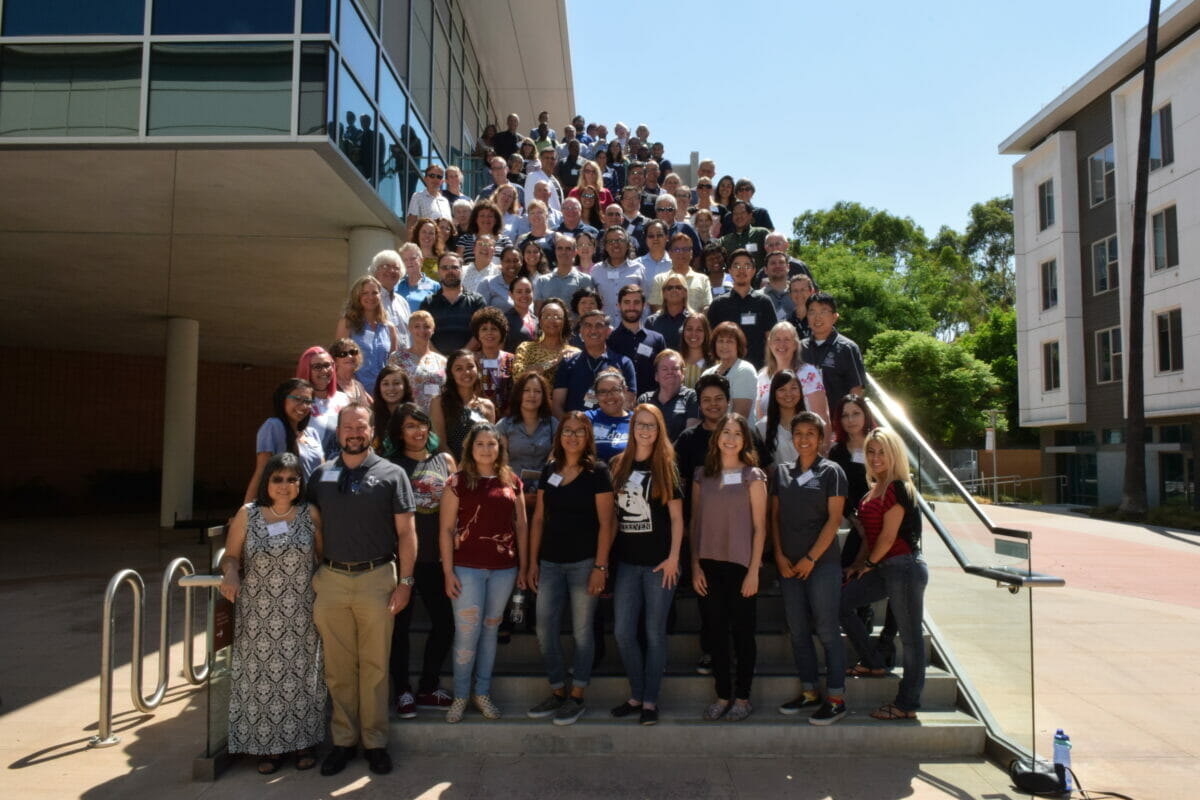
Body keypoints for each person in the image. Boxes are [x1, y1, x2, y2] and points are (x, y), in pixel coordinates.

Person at [307, 403, 417, 776]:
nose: (354, 433)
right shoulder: (321, 475)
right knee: (338, 669)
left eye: (361, 426)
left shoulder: (392, 474)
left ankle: (374, 742)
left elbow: (407, 533)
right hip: (332, 580)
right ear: (338, 433)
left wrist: (405, 582)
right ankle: (342, 741)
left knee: (374, 666)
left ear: (373, 431)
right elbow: (312, 528)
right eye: (347, 427)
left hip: (376, 579)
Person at [222, 452, 326, 774]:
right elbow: (230, 556)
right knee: (260, 681)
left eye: (292, 479)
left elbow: (322, 559)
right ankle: (267, 748)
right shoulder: (248, 514)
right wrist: (230, 572)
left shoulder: (309, 513)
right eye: (277, 479)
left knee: (302, 679)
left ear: (300, 483)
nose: (284, 485)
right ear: (267, 482)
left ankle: (302, 743)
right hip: (258, 617)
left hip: (301, 614)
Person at [525, 412, 614, 725]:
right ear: (559, 435)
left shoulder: (598, 472)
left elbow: (607, 524)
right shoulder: (550, 469)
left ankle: (577, 695)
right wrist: (532, 562)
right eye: (567, 431)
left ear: (587, 437)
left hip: (584, 563)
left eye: (579, 431)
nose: (573, 437)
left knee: (582, 632)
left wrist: (600, 567)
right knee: (544, 630)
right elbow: (538, 519)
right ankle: (558, 690)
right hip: (549, 562)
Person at [439, 422, 529, 723]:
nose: (487, 449)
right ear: (471, 447)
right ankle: (461, 696)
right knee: (467, 634)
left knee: (490, 633)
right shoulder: (458, 481)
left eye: (492, 444)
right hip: (467, 569)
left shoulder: (512, 481)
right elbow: (447, 529)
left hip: (504, 570)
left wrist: (525, 567)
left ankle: (482, 693)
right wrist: (448, 572)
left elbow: (522, 526)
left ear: (500, 448)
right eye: (481, 444)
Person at [839, 427, 928, 721]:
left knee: (912, 639)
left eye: (882, 452)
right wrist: (858, 563)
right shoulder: (871, 490)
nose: (876, 458)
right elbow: (869, 537)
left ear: (894, 455)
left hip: (903, 567)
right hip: (883, 566)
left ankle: (907, 703)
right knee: (841, 603)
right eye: (871, 452)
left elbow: (888, 538)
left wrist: (868, 565)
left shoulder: (898, 487)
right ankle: (874, 660)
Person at [771, 412, 849, 726]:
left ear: (821, 439)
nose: (804, 439)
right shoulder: (781, 472)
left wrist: (811, 559)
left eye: (810, 434)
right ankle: (809, 691)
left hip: (821, 565)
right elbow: (774, 518)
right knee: (798, 631)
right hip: (788, 566)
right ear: (792, 437)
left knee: (828, 631)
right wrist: (778, 555)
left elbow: (834, 521)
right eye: (798, 433)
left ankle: (836, 698)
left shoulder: (832, 472)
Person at [608, 404, 684, 726]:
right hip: (627, 563)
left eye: (652, 425)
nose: (645, 430)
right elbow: (612, 516)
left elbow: (679, 519)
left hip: (659, 565)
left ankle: (649, 701)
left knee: (654, 634)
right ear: (632, 427)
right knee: (624, 632)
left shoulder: (666, 466)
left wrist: (673, 559)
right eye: (640, 424)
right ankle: (636, 694)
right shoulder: (618, 465)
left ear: (659, 429)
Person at [690, 413, 766, 722]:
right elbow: (694, 523)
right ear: (716, 438)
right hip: (709, 565)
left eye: (737, 433)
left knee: (744, 634)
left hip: (741, 566)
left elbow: (760, 528)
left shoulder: (754, 476)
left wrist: (754, 571)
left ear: (744, 440)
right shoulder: (701, 475)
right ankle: (723, 695)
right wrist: (694, 566)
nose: (731, 438)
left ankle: (743, 698)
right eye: (726, 432)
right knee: (717, 635)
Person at [385, 404, 456, 717]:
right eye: (410, 426)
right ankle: (402, 692)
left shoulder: (445, 460)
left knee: (445, 624)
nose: (418, 431)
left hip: (436, 559)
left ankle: (428, 686)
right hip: (400, 562)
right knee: (398, 629)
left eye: (422, 425)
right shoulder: (389, 465)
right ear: (399, 432)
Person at [244, 379, 325, 503]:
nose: (303, 406)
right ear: (283, 400)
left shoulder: (313, 433)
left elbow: (322, 471)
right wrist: (246, 513)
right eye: (297, 399)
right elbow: (261, 471)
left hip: (313, 506)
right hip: (285, 507)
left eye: (308, 401)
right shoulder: (273, 426)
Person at [552, 309, 636, 416]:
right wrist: (570, 427)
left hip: (610, 430)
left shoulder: (624, 363)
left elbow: (628, 403)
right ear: (581, 332)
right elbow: (557, 405)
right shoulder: (568, 363)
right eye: (588, 325)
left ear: (608, 332)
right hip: (575, 429)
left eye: (599, 325)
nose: (593, 330)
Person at [496, 371, 558, 516]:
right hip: (511, 492)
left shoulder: (553, 425)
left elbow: (555, 459)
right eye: (527, 390)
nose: (532, 395)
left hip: (545, 493)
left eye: (537, 391)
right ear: (518, 394)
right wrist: (518, 491)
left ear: (543, 397)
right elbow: (501, 463)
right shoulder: (504, 425)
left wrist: (542, 491)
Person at [705, 249, 777, 368]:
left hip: (758, 370)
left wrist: (769, 367)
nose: (742, 270)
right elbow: (710, 340)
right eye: (737, 266)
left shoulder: (764, 302)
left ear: (754, 271)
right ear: (730, 271)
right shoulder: (718, 304)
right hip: (725, 370)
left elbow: (771, 339)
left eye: (747, 266)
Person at [754, 321, 829, 427]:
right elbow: (759, 417)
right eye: (777, 339)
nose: (782, 344)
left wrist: (824, 444)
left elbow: (822, 417)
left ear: (795, 345)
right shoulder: (762, 377)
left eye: (787, 339)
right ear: (770, 344)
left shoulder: (809, 374)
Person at [335, 276, 399, 394]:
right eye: (365, 293)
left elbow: (393, 365)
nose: (371, 297)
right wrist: (357, 390)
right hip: (355, 391)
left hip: (384, 393)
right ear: (357, 296)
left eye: (375, 292)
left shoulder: (389, 328)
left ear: (380, 295)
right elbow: (339, 360)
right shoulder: (347, 323)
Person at [803, 292, 868, 408]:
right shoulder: (799, 348)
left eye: (823, 312)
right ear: (807, 316)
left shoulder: (847, 348)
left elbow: (856, 390)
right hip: (806, 421)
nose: (817, 317)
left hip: (838, 419)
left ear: (834, 317)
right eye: (812, 312)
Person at [431, 349, 496, 461]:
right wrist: (458, 472)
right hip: (450, 468)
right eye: (459, 369)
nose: (466, 372)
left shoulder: (487, 406)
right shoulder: (439, 403)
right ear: (451, 374)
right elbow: (441, 444)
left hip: (479, 468)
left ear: (477, 369)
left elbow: (490, 443)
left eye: (470, 366)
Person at [419, 253, 486, 354]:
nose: (450, 271)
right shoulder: (428, 303)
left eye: (454, 267)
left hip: (469, 363)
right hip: (437, 364)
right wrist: (441, 359)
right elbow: (422, 335)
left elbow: (481, 332)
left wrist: (460, 358)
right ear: (439, 272)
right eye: (445, 268)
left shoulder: (477, 301)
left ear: (461, 270)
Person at [607, 284, 665, 396]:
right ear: (619, 305)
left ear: (644, 305)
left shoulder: (657, 339)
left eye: (636, 302)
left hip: (651, 403)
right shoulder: (609, 339)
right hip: (619, 405)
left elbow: (664, 372)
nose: (632, 307)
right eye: (627, 302)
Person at [389, 310, 446, 414]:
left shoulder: (442, 361)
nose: (422, 330)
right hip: (408, 415)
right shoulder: (397, 358)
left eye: (426, 326)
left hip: (437, 416)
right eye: (417, 326)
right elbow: (391, 388)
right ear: (410, 329)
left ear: (433, 330)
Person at [513, 298, 579, 385]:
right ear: (540, 321)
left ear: (564, 322)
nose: (552, 320)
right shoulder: (526, 348)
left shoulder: (574, 352)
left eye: (557, 317)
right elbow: (518, 376)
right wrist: (554, 362)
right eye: (547, 316)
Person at [636, 349, 699, 442]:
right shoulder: (645, 399)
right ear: (656, 376)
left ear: (683, 374)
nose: (670, 372)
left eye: (675, 368)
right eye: (664, 369)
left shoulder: (691, 397)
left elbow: (690, 436)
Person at [296, 346, 348, 451]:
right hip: (311, 463)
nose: (324, 370)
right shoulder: (299, 402)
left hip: (342, 463)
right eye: (317, 367)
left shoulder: (343, 398)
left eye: (327, 365)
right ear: (306, 369)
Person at [701, 322, 757, 418]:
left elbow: (739, 416)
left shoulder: (745, 370)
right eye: (720, 341)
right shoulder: (707, 374)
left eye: (729, 341)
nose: (724, 346)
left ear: (738, 345)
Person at [592, 226, 645, 325]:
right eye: (611, 241)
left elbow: (645, 304)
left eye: (620, 240)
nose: (615, 244)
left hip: (631, 328)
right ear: (605, 246)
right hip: (604, 329)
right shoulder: (596, 270)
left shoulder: (639, 269)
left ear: (628, 244)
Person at [649, 231, 711, 314]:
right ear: (670, 253)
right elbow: (656, 310)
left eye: (685, 249)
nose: (681, 253)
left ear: (691, 253)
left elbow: (707, 307)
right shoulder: (660, 279)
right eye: (677, 249)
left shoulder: (703, 279)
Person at [470, 307, 515, 412]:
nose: (489, 333)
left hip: (507, 419)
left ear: (501, 333)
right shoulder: (471, 360)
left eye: (494, 329)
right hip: (477, 416)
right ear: (478, 334)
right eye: (484, 329)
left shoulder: (511, 359)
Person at [756, 370, 803, 468]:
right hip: (778, 482)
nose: (788, 394)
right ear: (774, 393)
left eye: (793, 388)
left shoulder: (814, 422)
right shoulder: (762, 427)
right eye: (782, 389)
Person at [585, 368, 633, 462]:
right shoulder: (587, 419)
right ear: (596, 395)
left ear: (624, 390)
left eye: (615, 390)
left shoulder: (636, 420)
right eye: (603, 391)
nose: (609, 396)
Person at [535, 234, 594, 309]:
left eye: (568, 249)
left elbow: (589, 311)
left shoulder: (586, 280)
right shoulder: (542, 281)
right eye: (560, 248)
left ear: (575, 252)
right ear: (555, 251)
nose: (563, 252)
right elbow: (538, 311)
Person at [371, 250, 412, 349]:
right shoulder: (369, 300)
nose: (391, 271)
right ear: (375, 272)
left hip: (403, 360)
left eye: (396, 268)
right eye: (386, 266)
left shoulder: (402, 302)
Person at [371, 365, 414, 455]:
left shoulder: (415, 415)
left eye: (396, 383)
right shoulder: (370, 416)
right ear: (379, 387)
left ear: (405, 387)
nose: (391, 388)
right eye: (385, 384)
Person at [646, 273, 693, 351]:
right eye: (669, 288)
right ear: (664, 293)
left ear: (685, 292)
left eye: (678, 287)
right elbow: (646, 350)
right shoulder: (651, 322)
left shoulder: (694, 320)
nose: (674, 290)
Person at [719, 200, 770, 271]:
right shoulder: (724, 240)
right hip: (733, 281)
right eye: (735, 213)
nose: (739, 216)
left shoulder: (762, 234)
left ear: (750, 215)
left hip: (758, 281)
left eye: (742, 213)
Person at [457, 199, 513, 264]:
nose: (486, 219)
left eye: (490, 216)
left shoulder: (505, 241)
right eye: (482, 215)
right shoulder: (465, 239)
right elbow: (459, 263)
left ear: (496, 220)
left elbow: (510, 264)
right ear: (475, 219)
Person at [406, 164, 452, 232]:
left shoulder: (445, 201)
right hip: (427, 240)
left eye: (439, 177)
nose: (435, 179)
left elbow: (450, 225)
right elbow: (411, 223)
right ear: (425, 179)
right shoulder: (418, 197)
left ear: (442, 181)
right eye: (432, 176)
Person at [395, 242, 440, 309]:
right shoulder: (396, 286)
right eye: (405, 260)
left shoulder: (435, 286)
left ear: (421, 260)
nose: (409, 262)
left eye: (412, 258)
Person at [331, 338, 371, 406]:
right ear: (334, 360)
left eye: (353, 352)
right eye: (343, 354)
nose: (350, 356)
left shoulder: (359, 385)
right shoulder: (330, 385)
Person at [504, 275, 539, 353]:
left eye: (528, 291)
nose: (524, 295)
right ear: (511, 294)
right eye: (519, 292)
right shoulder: (504, 320)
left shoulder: (536, 320)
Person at [786, 274, 815, 340]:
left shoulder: (820, 318)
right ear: (790, 294)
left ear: (812, 291)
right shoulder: (788, 322)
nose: (799, 294)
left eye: (803, 290)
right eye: (795, 291)